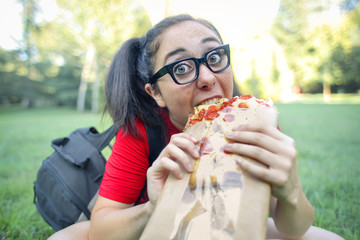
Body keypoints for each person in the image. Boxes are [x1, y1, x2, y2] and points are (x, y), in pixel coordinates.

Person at [49, 14, 343, 240]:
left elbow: (294, 228)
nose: (206, 77)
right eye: (181, 68)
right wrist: (156, 204)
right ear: (156, 93)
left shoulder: (255, 121)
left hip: (229, 217)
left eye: (214, 57)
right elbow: (102, 227)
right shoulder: (141, 130)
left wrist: (291, 190)